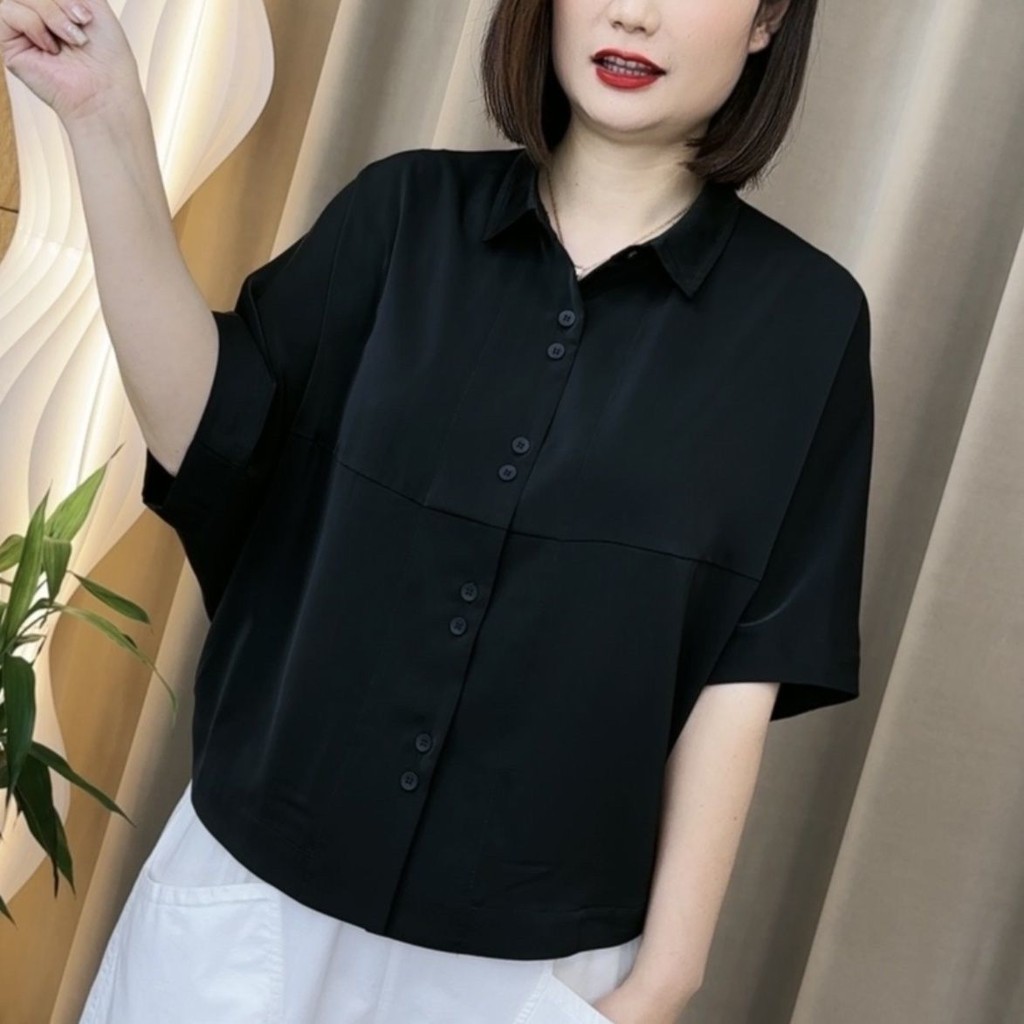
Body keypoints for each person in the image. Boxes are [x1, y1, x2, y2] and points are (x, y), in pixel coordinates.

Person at [2, 0, 874, 1021]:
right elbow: (209, 432)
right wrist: (103, 114)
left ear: (768, 19)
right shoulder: (401, 214)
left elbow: (743, 664)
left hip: (529, 973)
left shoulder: (805, 327)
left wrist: (665, 978)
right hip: (247, 919)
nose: (630, 13)